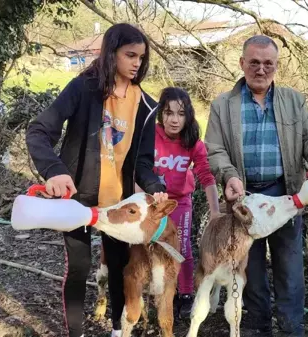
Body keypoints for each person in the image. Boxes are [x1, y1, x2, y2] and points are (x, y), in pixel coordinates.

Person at [26, 23, 168, 337]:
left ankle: (119, 330)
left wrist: (156, 186)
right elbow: (39, 130)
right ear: (110, 53)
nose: (136, 63)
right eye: (130, 55)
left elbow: (142, 162)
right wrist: (54, 170)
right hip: (77, 201)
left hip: (118, 205)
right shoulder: (83, 88)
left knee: (120, 269)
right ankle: (74, 332)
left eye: (141, 58)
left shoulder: (145, 105)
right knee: (78, 268)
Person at [204, 35, 308, 336]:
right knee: (249, 268)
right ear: (242, 64)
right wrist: (229, 175)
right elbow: (214, 149)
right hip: (245, 199)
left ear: (276, 66)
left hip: (285, 195)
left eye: (268, 64)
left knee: (290, 268)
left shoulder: (293, 100)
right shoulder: (223, 105)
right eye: (254, 62)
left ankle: (292, 329)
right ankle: (257, 327)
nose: (260, 69)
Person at [152, 87, 220, 317]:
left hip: (180, 203)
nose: (174, 120)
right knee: (151, 247)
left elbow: (206, 176)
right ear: (161, 113)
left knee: (181, 247)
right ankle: (157, 291)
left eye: (180, 114)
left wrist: (215, 212)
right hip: (153, 203)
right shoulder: (150, 136)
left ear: (188, 115)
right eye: (169, 113)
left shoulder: (193, 142)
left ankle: (186, 294)